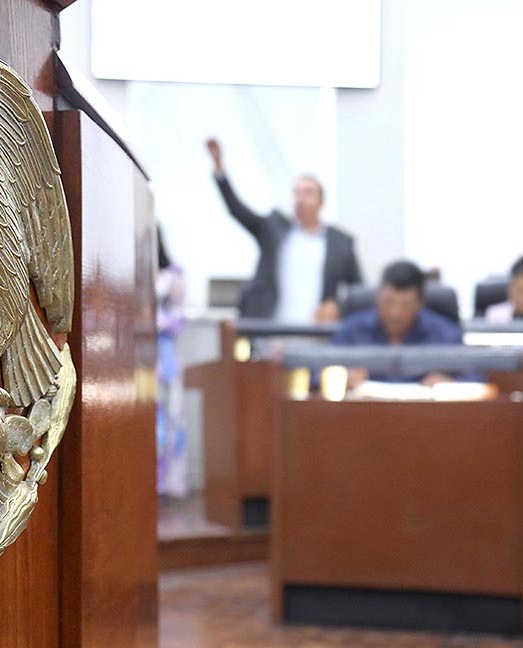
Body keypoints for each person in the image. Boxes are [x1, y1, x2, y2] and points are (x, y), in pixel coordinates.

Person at [206, 138, 362, 323]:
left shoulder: (340, 243)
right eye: (297, 193)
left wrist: (338, 308)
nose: (301, 198)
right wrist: (219, 168)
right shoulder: (273, 230)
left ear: (321, 201)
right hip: (271, 329)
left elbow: (358, 290)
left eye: (308, 192)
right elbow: (237, 210)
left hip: (317, 332)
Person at [332, 260, 465, 386]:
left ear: (420, 303)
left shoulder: (445, 333)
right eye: (388, 302)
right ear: (377, 296)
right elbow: (324, 370)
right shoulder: (352, 329)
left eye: (405, 305)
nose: (395, 313)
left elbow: (472, 375)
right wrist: (343, 378)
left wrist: (450, 383)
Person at [155, 228, 188, 498]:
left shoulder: (173, 275)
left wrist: (157, 322)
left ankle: (165, 483)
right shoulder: (129, 269)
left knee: (169, 416)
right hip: (136, 354)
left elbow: (180, 316)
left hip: (164, 355)